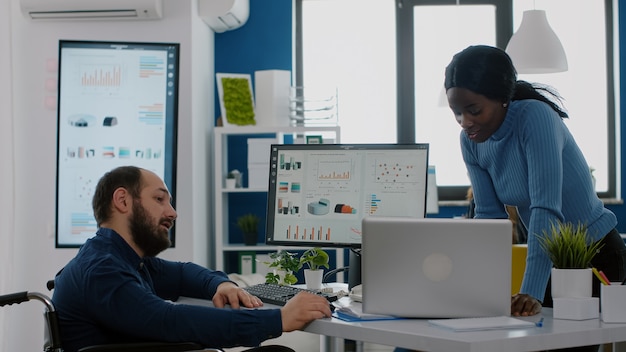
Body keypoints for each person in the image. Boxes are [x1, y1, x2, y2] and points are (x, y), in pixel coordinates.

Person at [441, 44, 626, 352]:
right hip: (551, 259)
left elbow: (545, 209)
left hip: (596, 257)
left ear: (502, 98)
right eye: (457, 112)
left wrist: (531, 292)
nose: (464, 122)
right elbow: (489, 217)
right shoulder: (471, 142)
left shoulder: (535, 117)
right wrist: (477, 291)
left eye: (474, 110)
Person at [52, 166, 332, 352]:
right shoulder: (103, 270)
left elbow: (184, 273)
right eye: (160, 200)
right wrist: (278, 320)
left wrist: (220, 285)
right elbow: (167, 320)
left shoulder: (124, 259)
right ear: (123, 201)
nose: (172, 212)